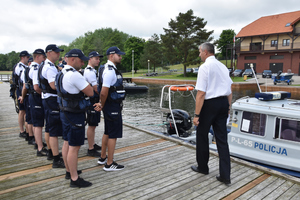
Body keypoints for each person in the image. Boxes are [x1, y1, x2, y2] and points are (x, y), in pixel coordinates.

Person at [191, 42, 233, 185]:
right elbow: (230, 90)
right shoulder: (223, 67)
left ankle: (203, 167)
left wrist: (196, 115)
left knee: (202, 135)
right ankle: (225, 176)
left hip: (209, 104)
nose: (199, 54)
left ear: (205, 52)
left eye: (199, 52)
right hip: (223, 103)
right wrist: (228, 108)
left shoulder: (205, 67)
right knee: (222, 140)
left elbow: (201, 93)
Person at [57, 49, 93, 188]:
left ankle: (68, 170)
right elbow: (89, 91)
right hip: (74, 114)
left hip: (65, 112)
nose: (83, 62)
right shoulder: (74, 75)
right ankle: (74, 179)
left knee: (67, 142)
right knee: (74, 147)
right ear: (72, 59)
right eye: (81, 60)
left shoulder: (61, 73)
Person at [94, 46, 126, 171]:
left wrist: (102, 103)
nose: (121, 57)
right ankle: (109, 163)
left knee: (107, 131)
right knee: (113, 134)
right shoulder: (110, 70)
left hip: (110, 105)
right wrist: (101, 104)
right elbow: (103, 91)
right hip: (112, 105)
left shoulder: (104, 68)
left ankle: (103, 157)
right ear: (112, 55)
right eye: (119, 55)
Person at [39, 44, 65, 167]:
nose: (58, 54)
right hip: (51, 99)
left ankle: (51, 152)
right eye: (56, 52)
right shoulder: (49, 68)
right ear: (49, 53)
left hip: (46, 98)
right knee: (54, 129)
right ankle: (56, 159)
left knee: (49, 127)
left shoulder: (47, 65)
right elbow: (54, 85)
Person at [84, 51, 103, 157]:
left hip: (93, 100)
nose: (98, 61)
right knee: (92, 125)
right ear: (90, 59)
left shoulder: (92, 71)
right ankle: (90, 149)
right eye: (96, 58)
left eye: (99, 59)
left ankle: (93, 144)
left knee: (94, 124)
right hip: (92, 100)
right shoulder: (90, 72)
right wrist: (103, 97)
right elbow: (96, 88)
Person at [29, 49, 48, 156]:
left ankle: (38, 143)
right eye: (43, 57)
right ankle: (40, 148)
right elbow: (36, 87)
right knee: (38, 124)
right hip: (36, 96)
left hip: (32, 96)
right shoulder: (36, 68)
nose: (44, 59)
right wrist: (44, 94)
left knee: (36, 122)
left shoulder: (30, 67)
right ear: (37, 57)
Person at [14, 51, 31, 138]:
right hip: (20, 90)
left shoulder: (24, 66)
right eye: (27, 57)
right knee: (22, 111)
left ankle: (26, 130)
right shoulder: (19, 67)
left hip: (22, 90)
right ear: (22, 57)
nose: (28, 59)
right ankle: (22, 130)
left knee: (25, 111)